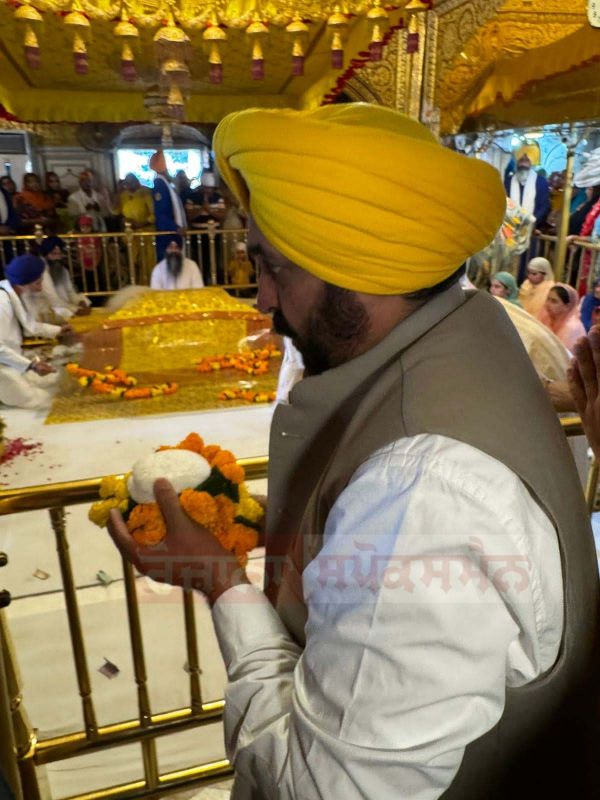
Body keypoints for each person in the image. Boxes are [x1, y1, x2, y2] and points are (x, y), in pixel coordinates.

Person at [107, 105, 599, 800]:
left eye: (271, 266)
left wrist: (222, 583)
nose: (262, 297)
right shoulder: (472, 329)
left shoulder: (420, 490)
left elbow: (322, 787)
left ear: (357, 268)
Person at [0, 254, 69, 408]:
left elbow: (30, 326)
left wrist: (59, 330)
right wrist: (31, 365)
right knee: (40, 401)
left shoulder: (14, 293)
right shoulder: (2, 303)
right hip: (2, 364)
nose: (41, 287)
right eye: (38, 282)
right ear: (23, 283)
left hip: (11, 359)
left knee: (52, 381)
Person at [38, 236, 91, 319]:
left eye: (59, 254)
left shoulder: (62, 270)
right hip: (50, 307)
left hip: (65, 305)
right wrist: (75, 309)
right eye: (53, 254)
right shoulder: (42, 271)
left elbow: (70, 292)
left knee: (85, 301)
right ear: (46, 255)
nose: (57, 258)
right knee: (63, 311)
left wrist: (79, 302)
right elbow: (52, 299)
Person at [116, 173, 155, 283]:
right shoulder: (123, 195)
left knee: (147, 262)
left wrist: (141, 223)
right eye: (127, 183)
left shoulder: (146, 192)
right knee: (133, 262)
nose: (129, 185)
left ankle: (148, 285)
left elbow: (154, 214)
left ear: (137, 181)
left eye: (132, 182)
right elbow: (115, 211)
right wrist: (117, 193)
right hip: (131, 235)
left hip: (146, 234)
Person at [149, 151, 186, 262]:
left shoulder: (165, 183)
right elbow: (160, 213)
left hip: (171, 232)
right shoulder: (160, 185)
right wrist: (176, 228)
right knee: (169, 264)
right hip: (168, 234)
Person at [538, 283, 586, 352]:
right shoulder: (547, 317)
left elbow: (561, 355)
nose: (547, 304)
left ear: (567, 306)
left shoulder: (572, 327)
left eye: (554, 301)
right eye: (548, 299)